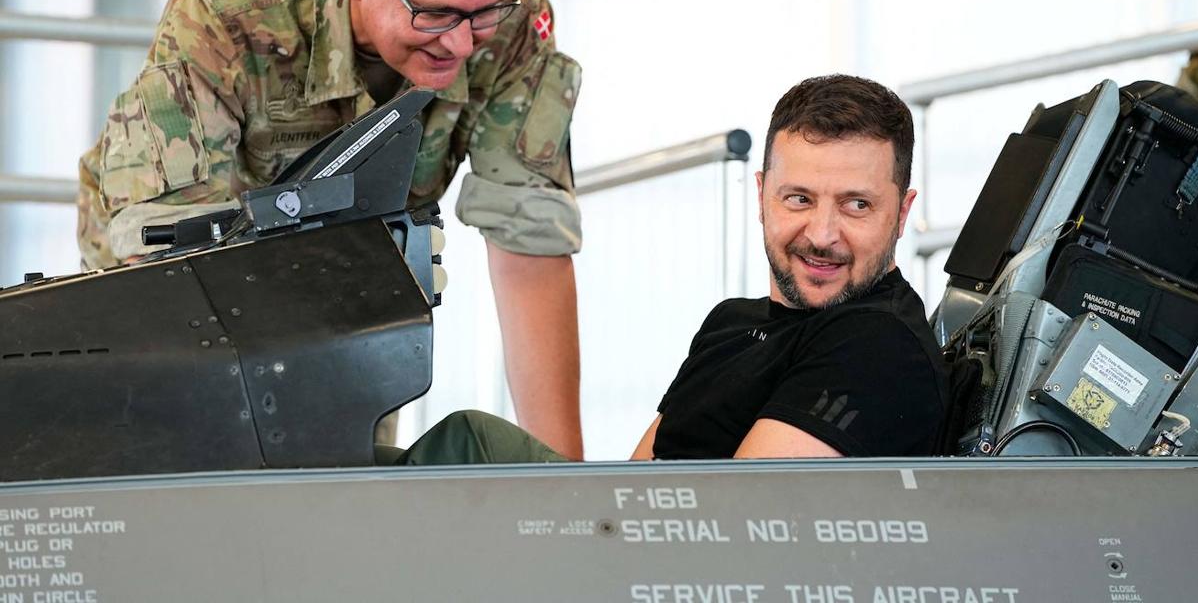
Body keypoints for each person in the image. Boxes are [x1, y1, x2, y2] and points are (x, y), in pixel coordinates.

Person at [76, 0, 585, 460]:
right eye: (434, 13)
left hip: (355, 272)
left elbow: (528, 246)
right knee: (199, 459)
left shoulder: (514, 26)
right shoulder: (228, 14)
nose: (459, 41)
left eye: (482, 14)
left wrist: (564, 492)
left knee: (354, 479)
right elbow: (170, 267)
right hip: (185, 256)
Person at [385, 75, 948, 465]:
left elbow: (738, 523)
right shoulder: (731, 323)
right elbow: (637, 483)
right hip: (629, 555)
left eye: (856, 205)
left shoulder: (878, 343)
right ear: (761, 196)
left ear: (902, 213)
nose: (823, 234)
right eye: (798, 199)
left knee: (465, 446)